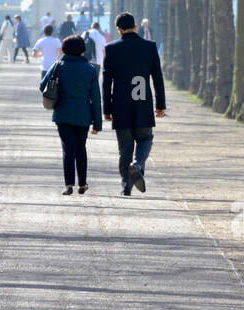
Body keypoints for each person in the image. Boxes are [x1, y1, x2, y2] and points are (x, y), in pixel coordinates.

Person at [102, 12, 166, 196]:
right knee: (145, 138)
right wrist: (161, 104)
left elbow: (106, 82)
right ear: (136, 27)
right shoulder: (149, 47)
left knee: (125, 147)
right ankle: (137, 164)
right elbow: (158, 78)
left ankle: (126, 185)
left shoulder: (111, 49)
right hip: (143, 103)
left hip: (121, 106)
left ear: (119, 30)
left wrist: (107, 108)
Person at [41, 35, 102, 195]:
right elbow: (96, 98)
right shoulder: (90, 70)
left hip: (63, 114)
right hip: (83, 116)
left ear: (64, 49)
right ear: (83, 50)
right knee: (81, 148)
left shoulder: (58, 66)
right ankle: (82, 184)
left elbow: (43, 86)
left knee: (68, 149)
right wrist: (97, 123)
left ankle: (69, 184)